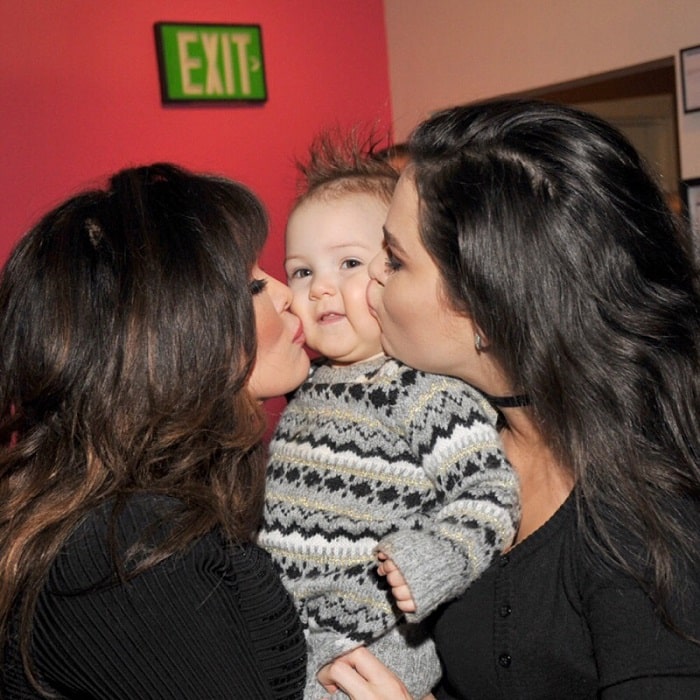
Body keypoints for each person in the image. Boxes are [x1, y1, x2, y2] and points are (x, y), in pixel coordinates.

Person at [317, 98, 700, 699]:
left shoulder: (650, 519)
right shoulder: (444, 436)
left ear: (490, 309)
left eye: (393, 260)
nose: (368, 284)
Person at [0, 163, 312, 698]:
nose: (285, 294)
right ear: (182, 334)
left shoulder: (143, 512)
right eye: (254, 284)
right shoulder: (126, 549)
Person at [257, 134, 519, 699]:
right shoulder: (306, 386)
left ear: (389, 274)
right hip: (299, 632)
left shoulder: (424, 393)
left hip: (379, 641)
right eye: (300, 271)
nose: (319, 287)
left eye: (349, 263)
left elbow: (491, 494)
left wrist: (431, 562)